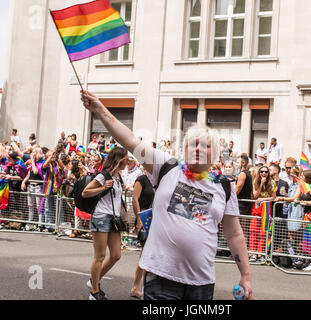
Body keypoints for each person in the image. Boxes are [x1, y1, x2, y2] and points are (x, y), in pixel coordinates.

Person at [81, 90, 252, 300]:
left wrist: (246, 275)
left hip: (201, 283)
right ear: (184, 149)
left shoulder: (223, 187)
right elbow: (129, 140)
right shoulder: (166, 167)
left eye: (206, 145)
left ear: (215, 154)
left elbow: (234, 234)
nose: (198, 148)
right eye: (193, 143)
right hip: (160, 278)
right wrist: (99, 108)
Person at [82, 147, 128, 300]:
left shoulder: (118, 176)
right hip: (101, 217)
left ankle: (93, 280)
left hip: (114, 219)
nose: (127, 162)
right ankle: (94, 292)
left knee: (116, 255)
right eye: (125, 159)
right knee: (100, 256)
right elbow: (85, 192)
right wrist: (103, 187)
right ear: (118, 160)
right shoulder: (104, 175)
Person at [130, 168, 155, 299]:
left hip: (155, 220)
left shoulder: (158, 181)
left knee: (149, 255)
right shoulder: (142, 179)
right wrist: (139, 218)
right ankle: (136, 287)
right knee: (145, 254)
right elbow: (135, 199)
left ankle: (144, 287)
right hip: (144, 218)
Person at [250, 165, 276, 262]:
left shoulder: (272, 183)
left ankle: (260, 253)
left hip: (266, 207)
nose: (264, 173)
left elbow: (273, 197)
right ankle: (253, 253)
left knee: (263, 232)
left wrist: (263, 199)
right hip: (257, 208)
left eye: (265, 172)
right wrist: (261, 184)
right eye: (262, 172)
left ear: (268, 173)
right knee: (253, 231)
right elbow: (255, 195)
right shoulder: (255, 181)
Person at [296, 170, 311, 271]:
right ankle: (310, 261)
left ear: (307, 177)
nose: (301, 177)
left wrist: (304, 202)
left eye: (302, 176)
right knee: (307, 239)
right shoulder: (304, 187)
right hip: (306, 215)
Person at [21, 148, 45, 231]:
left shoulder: (41, 162)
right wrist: (23, 182)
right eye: (33, 152)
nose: (33, 154)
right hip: (31, 186)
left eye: (35, 152)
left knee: (39, 206)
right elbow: (29, 174)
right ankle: (30, 223)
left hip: (38, 186)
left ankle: (40, 224)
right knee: (30, 206)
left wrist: (32, 160)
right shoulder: (33, 163)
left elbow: (35, 171)